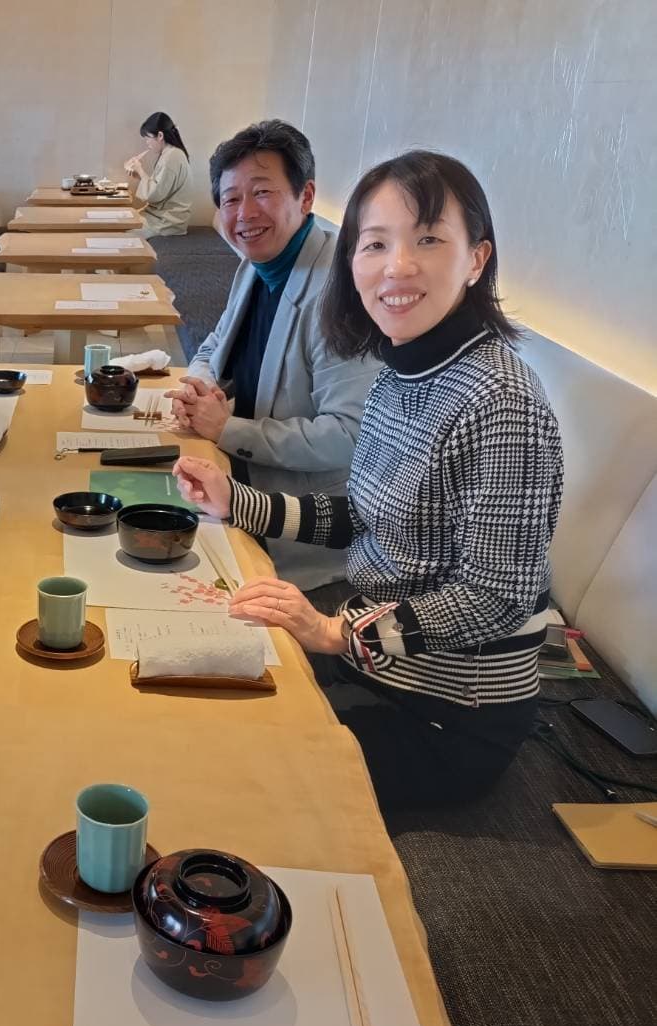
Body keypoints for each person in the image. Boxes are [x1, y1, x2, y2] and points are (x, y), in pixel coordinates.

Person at [174, 150, 563, 811]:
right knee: (188, 685)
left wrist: (336, 634)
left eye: (428, 239)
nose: (397, 266)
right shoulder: (401, 371)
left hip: (448, 717)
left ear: (476, 259)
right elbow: (361, 515)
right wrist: (236, 500)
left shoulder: (501, 402)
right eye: (375, 244)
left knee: (226, 779)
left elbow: (496, 597)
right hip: (382, 666)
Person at [173, 119, 377, 595]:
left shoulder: (340, 292)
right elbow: (212, 344)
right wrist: (200, 385)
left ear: (306, 197)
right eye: (230, 199)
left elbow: (349, 437)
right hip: (234, 486)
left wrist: (226, 429)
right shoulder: (255, 265)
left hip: (301, 537)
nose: (245, 212)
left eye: (262, 192)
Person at [124, 111, 191, 239]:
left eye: (148, 138)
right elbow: (159, 187)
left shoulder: (172, 156)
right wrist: (139, 176)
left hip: (167, 221)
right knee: (122, 220)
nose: (147, 143)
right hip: (158, 216)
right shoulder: (170, 154)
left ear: (160, 135)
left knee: (121, 231)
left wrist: (140, 170)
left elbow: (155, 195)